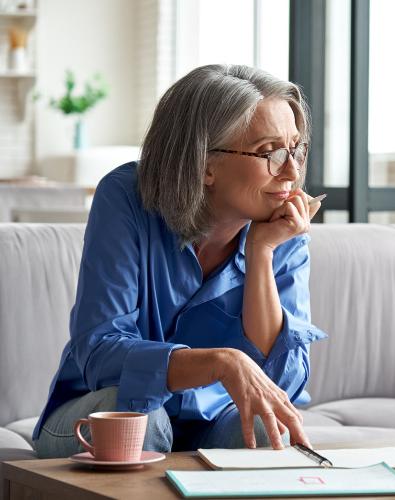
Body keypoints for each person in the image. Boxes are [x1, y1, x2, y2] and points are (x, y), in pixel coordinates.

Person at [33, 64, 328, 458]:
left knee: (265, 426)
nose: (291, 171)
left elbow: (280, 383)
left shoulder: (282, 226)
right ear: (205, 164)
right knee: (142, 418)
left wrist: (261, 254)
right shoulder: (126, 198)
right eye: (269, 152)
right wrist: (220, 363)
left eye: (296, 149)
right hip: (100, 412)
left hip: (212, 421)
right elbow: (100, 352)